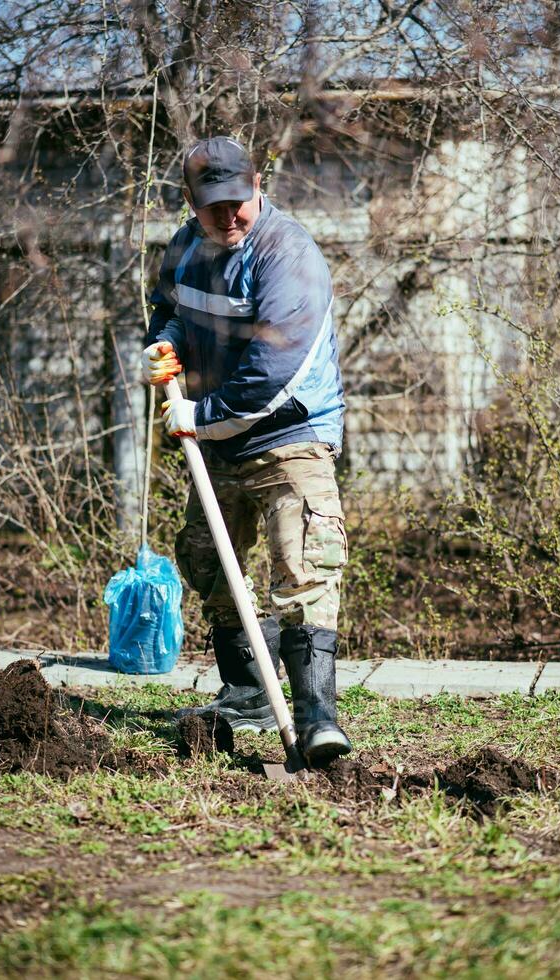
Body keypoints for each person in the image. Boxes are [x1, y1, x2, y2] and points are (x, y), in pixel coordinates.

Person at [141, 136, 351, 765]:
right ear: (190, 202)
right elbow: (166, 310)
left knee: (304, 564)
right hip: (216, 439)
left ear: (258, 186)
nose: (230, 216)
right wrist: (165, 344)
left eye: (239, 201)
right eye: (214, 207)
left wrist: (197, 415)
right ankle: (249, 693)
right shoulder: (184, 249)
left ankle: (317, 719)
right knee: (206, 559)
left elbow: (270, 375)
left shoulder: (289, 254)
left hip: (290, 432)